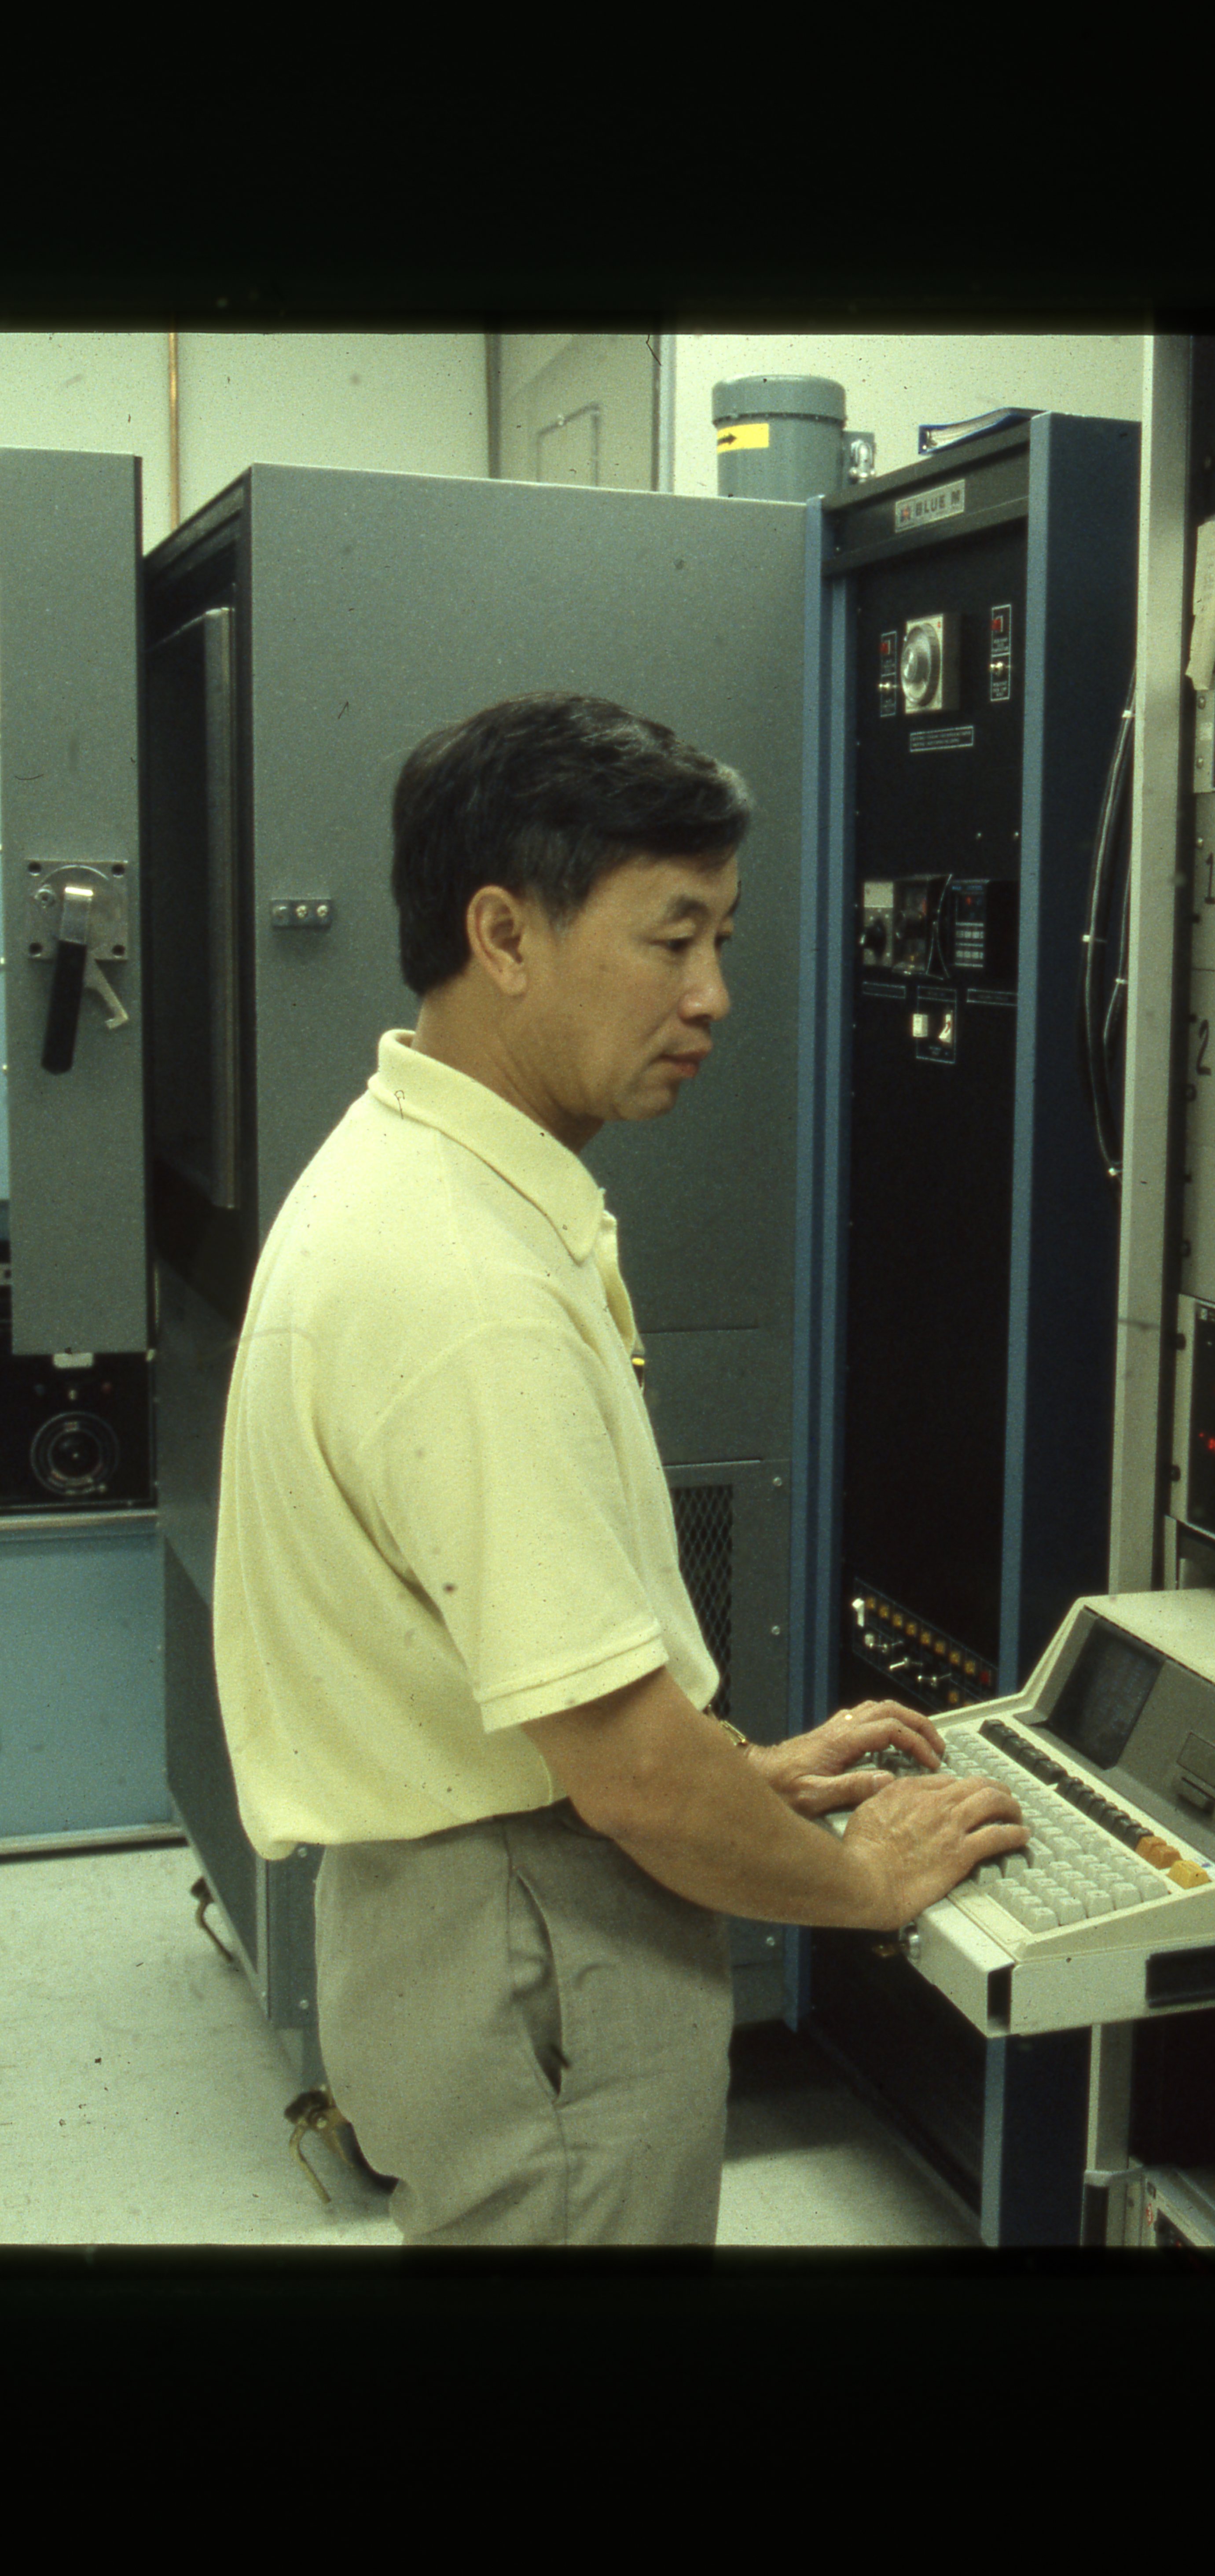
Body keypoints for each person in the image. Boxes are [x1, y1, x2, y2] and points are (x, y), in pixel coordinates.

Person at [211, 688, 1027, 2246]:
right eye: (672, 939)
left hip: (474, 1908)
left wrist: (738, 1783)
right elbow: (631, 1779)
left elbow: (538, 1703)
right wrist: (859, 1885)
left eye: (723, 939)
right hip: (536, 1948)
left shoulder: (414, 1172)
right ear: (505, 935)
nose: (714, 995)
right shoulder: (466, 1286)